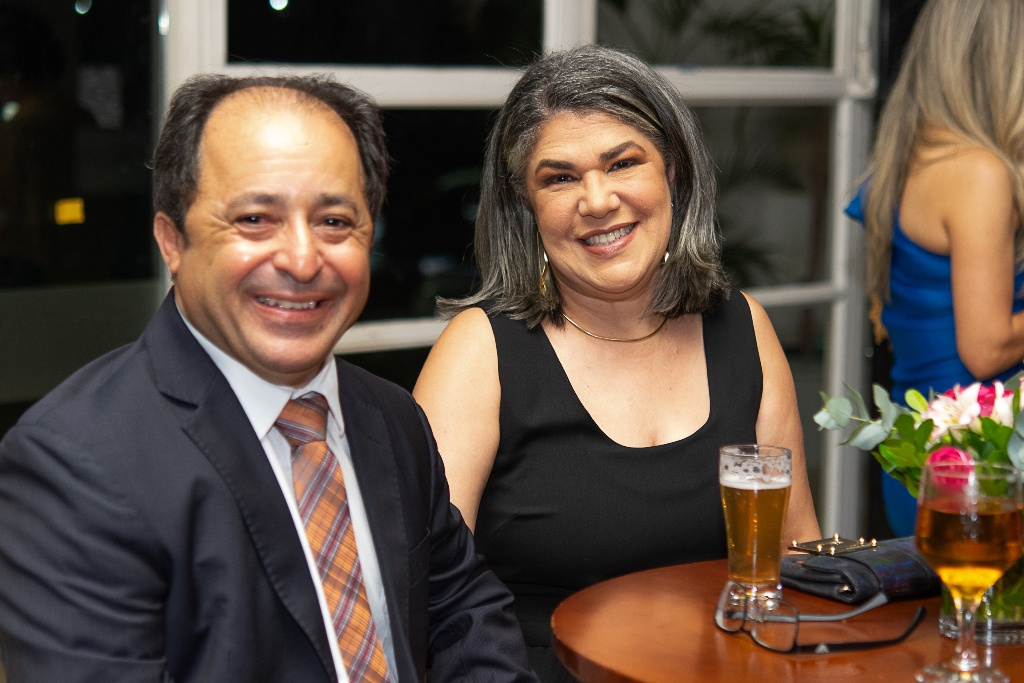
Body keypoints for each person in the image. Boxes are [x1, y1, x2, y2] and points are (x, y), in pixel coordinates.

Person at [0, 74, 538, 683]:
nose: (303, 260)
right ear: (172, 241)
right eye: (256, 219)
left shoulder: (391, 417)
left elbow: (463, 615)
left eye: (334, 221)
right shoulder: (75, 464)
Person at [412, 45, 822, 681]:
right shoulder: (479, 351)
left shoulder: (743, 327)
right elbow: (425, 594)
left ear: (674, 173)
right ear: (525, 206)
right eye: (559, 178)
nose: (598, 200)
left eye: (623, 163)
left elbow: (797, 557)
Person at [845, 0, 1024, 537]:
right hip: (978, 467)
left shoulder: (908, 157)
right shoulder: (980, 172)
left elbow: (885, 314)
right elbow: (985, 348)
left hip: (919, 455)